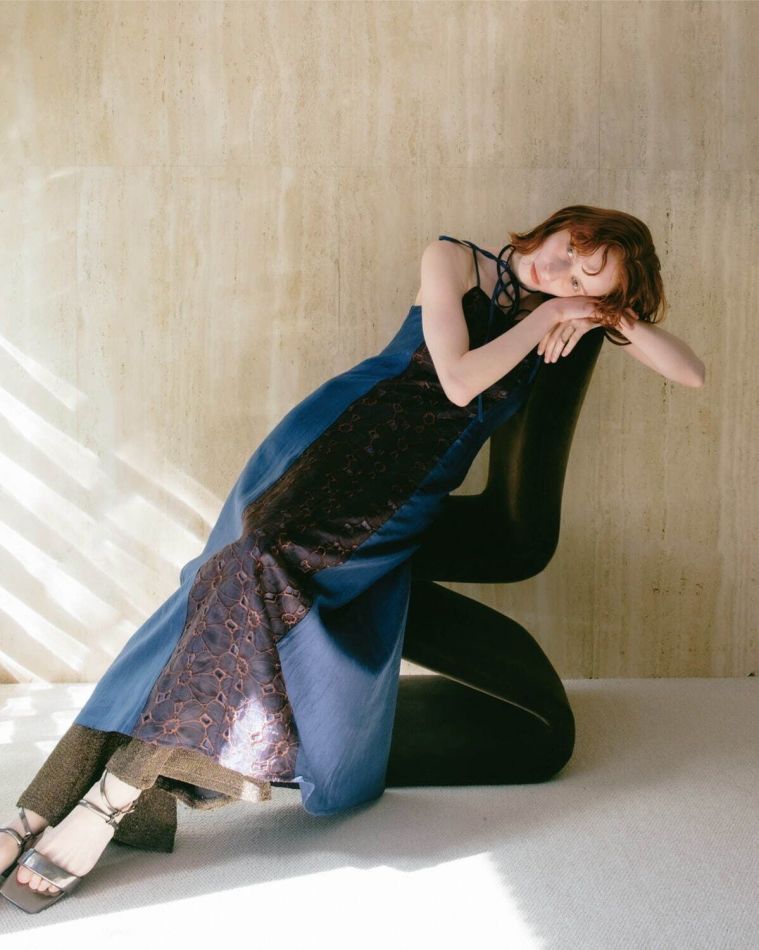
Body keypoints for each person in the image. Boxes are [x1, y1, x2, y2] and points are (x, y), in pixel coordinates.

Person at [0, 204, 705, 912]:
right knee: (244, 566)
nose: (561, 273)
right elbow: (458, 380)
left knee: (249, 577)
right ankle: (80, 802)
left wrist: (606, 313)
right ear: (562, 224)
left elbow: (691, 372)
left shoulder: (565, 315)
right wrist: (555, 311)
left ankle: (80, 801)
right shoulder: (453, 258)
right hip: (330, 440)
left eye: (582, 280)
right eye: (571, 251)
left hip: (400, 491)